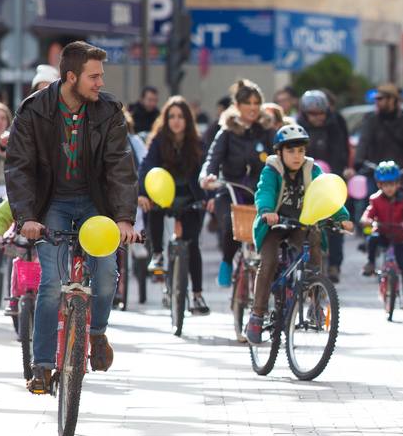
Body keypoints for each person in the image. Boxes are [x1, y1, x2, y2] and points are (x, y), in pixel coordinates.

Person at [6, 40, 139, 393]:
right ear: (70, 77)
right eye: (93, 76)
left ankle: (96, 334)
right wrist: (27, 218)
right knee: (50, 283)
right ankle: (43, 366)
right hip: (54, 203)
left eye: (101, 76)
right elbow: (19, 167)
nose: (100, 83)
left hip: (96, 204)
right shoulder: (34, 110)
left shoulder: (109, 110)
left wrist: (124, 219)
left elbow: (120, 165)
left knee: (107, 273)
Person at [244, 123, 354, 344]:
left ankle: (315, 299)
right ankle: (257, 315)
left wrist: (342, 218)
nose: (297, 156)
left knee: (314, 243)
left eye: (301, 150)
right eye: (291, 151)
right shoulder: (272, 170)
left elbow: (327, 195)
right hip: (274, 224)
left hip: (300, 223)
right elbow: (264, 191)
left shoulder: (312, 170)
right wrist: (266, 211)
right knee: (269, 261)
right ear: (279, 152)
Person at [138, 96, 209, 315]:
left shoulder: (197, 143)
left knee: (192, 244)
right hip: (163, 197)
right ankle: (157, 254)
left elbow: (206, 171)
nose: (176, 121)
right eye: (172, 116)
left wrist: (208, 195)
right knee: (154, 210)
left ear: (187, 119)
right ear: (166, 119)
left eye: (180, 116)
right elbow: (146, 169)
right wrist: (142, 193)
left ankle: (197, 296)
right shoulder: (159, 141)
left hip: (190, 199)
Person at [201, 79, 273, 288]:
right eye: (248, 103)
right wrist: (208, 177)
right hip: (231, 191)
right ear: (237, 106)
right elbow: (212, 160)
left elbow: (281, 157)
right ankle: (226, 261)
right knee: (231, 224)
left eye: (256, 103)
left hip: (261, 193)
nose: (252, 107)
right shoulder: (226, 132)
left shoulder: (267, 131)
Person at [296, 89, 351, 282]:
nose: (318, 118)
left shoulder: (336, 123)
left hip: (333, 179)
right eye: (313, 114)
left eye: (321, 113)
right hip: (306, 181)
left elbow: (343, 149)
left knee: (336, 223)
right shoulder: (298, 127)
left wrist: (344, 171)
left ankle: (335, 264)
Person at [361, 160, 403, 310]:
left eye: (392, 184)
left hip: (398, 237)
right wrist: (367, 220)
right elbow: (369, 212)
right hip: (382, 233)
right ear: (379, 185)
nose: (389, 188)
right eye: (385, 185)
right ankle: (370, 262)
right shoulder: (375, 199)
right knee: (372, 238)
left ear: (398, 184)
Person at [356, 83, 403, 181]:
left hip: (399, 175)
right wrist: (358, 162)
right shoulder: (371, 119)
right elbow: (364, 142)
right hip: (374, 174)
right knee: (369, 195)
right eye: (376, 99)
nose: (377, 102)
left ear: (392, 100)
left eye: (380, 99)